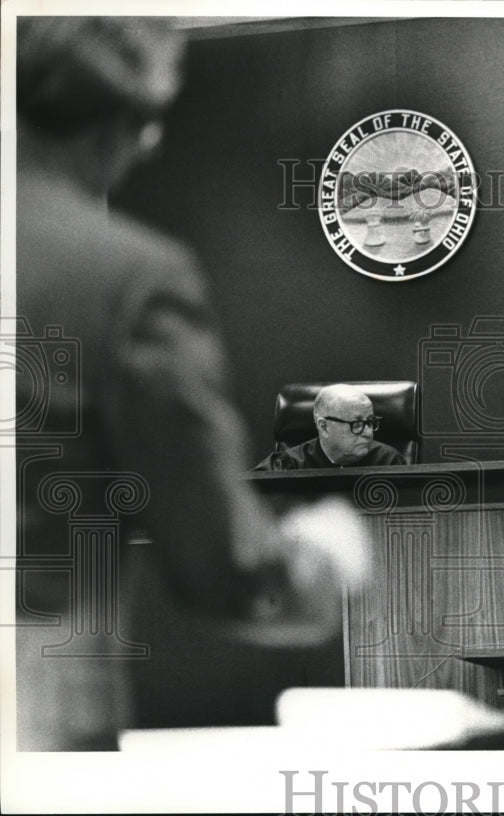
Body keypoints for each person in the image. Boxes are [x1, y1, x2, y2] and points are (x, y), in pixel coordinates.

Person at [14, 17, 370, 750]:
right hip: (32, 708)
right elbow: (226, 569)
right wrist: (324, 559)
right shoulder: (126, 279)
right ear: (131, 124)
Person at [254, 383, 405, 470]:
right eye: (357, 424)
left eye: (371, 422)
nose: (369, 433)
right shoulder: (287, 465)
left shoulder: (389, 461)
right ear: (324, 427)